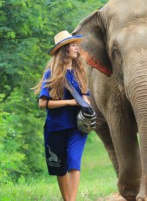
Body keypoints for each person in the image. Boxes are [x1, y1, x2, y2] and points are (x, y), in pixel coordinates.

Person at [33, 30, 90, 201]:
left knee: (74, 163)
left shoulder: (80, 72)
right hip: (56, 127)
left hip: (77, 127)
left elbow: (85, 97)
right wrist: (70, 102)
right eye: (72, 45)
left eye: (76, 45)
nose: (76, 48)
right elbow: (42, 104)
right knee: (60, 168)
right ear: (64, 49)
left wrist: (88, 107)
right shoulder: (52, 74)